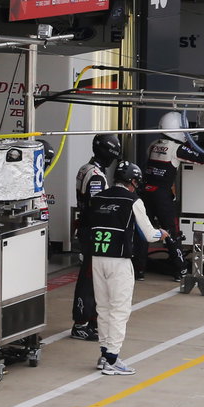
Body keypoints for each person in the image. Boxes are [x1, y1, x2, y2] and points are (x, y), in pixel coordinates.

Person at [87, 161, 165, 376]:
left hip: (97, 258)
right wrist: (163, 234)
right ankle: (112, 358)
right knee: (119, 310)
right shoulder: (133, 200)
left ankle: (104, 355)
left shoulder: (98, 198)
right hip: (118, 261)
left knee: (102, 308)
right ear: (132, 181)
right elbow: (150, 235)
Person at [141, 112, 204, 278]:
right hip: (162, 197)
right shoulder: (177, 149)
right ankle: (180, 270)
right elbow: (202, 158)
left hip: (146, 194)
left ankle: (138, 270)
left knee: (144, 232)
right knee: (172, 233)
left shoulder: (152, 145)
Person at [71, 133, 120, 341]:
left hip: (86, 228)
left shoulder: (85, 168)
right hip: (92, 232)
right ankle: (81, 324)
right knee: (90, 278)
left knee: (94, 277)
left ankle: (90, 320)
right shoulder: (97, 176)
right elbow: (97, 207)